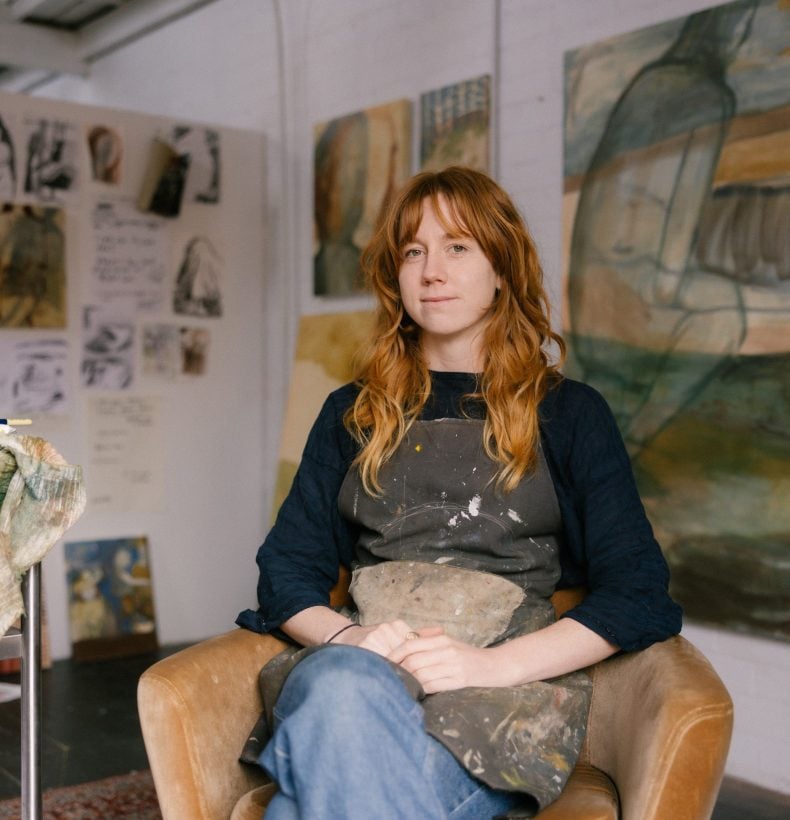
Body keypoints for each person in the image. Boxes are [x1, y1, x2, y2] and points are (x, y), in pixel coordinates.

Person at [236, 166, 682, 819]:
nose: (431, 271)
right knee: (339, 690)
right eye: (412, 251)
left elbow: (637, 592)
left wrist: (490, 667)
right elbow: (285, 573)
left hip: (494, 712)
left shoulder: (569, 414)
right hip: (362, 677)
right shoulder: (349, 414)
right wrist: (347, 644)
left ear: (502, 269)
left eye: (457, 247)